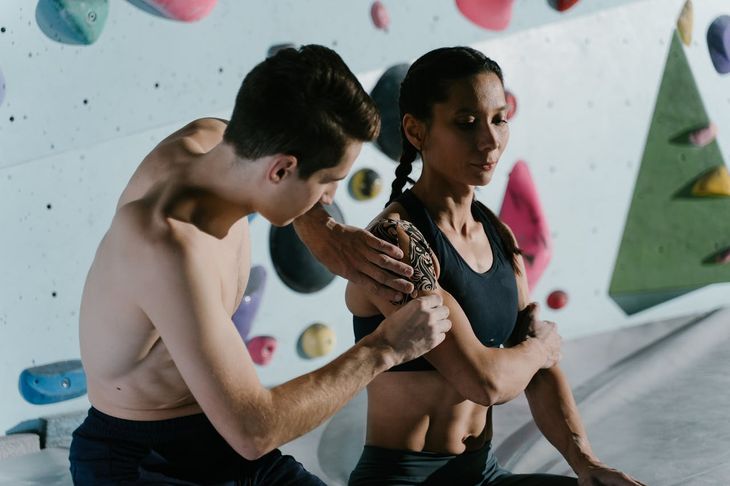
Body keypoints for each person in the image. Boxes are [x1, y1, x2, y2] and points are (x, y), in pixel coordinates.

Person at [68, 45, 452, 485]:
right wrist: (386, 348)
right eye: (329, 182)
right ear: (282, 170)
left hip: (223, 439)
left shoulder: (218, 141)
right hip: (140, 461)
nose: (328, 199)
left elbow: (277, 140)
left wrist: (319, 228)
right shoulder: (166, 244)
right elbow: (256, 430)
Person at [346, 47, 645, 485]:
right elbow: (483, 381)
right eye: (466, 123)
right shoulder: (397, 240)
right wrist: (539, 349)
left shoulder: (498, 235)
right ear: (415, 130)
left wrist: (586, 464)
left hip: (484, 475)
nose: (489, 141)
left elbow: (540, 374)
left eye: (499, 119)